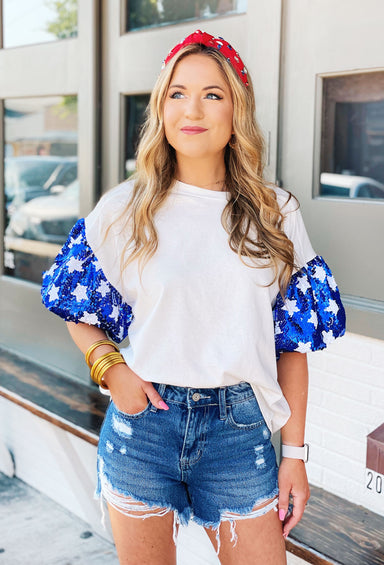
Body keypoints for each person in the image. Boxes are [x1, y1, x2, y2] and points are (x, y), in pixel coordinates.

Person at [41, 30, 346, 565]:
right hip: (143, 430)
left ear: (237, 110)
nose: (193, 109)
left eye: (213, 93)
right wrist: (112, 369)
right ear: (161, 109)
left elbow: (291, 349)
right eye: (177, 93)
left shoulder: (277, 214)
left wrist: (295, 456)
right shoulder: (124, 210)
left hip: (238, 434)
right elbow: (74, 306)